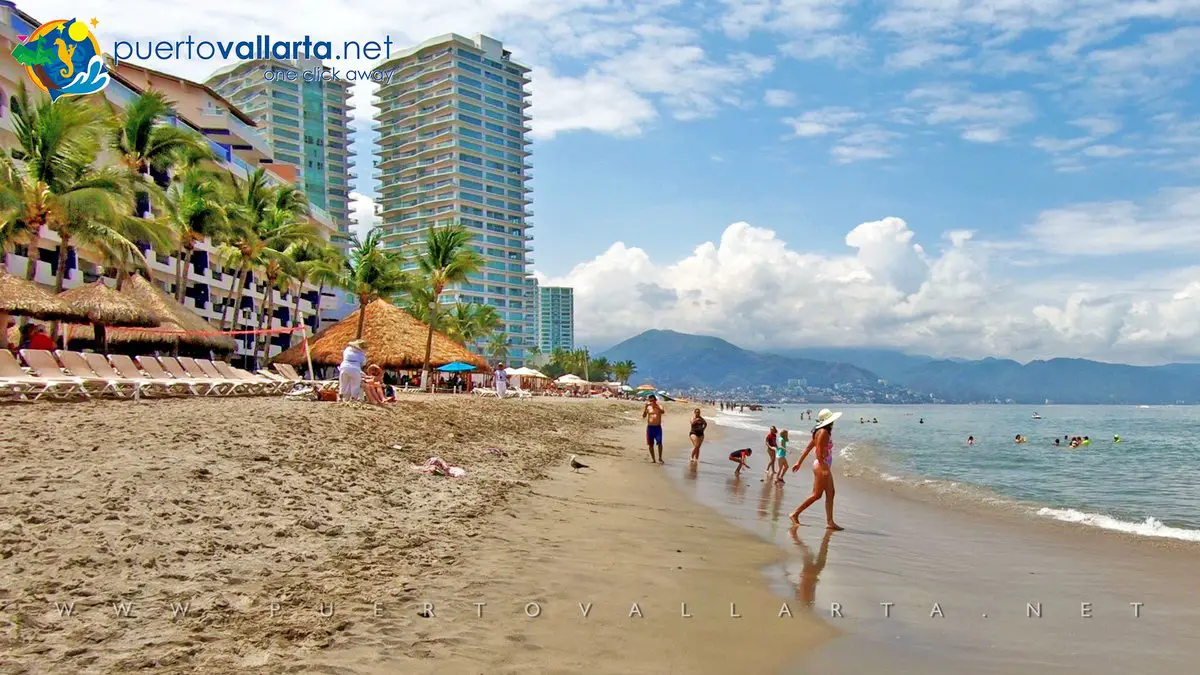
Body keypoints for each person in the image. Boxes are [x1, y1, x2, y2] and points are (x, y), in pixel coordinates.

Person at [790, 409, 843, 530]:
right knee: (816, 495)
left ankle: (830, 522)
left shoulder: (819, 431)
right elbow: (818, 451)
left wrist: (799, 462)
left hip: (823, 464)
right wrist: (823, 467)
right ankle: (795, 514)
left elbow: (808, 447)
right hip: (821, 465)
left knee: (830, 493)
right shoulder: (824, 432)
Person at [642, 394, 665, 463]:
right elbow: (644, 416)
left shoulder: (659, 406)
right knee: (650, 444)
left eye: (653, 400)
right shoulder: (648, 407)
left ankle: (660, 457)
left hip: (657, 427)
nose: (651, 401)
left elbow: (662, 412)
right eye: (650, 400)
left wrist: (656, 406)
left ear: (655, 400)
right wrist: (645, 408)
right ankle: (653, 459)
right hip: (650, 427)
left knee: (659, 442)